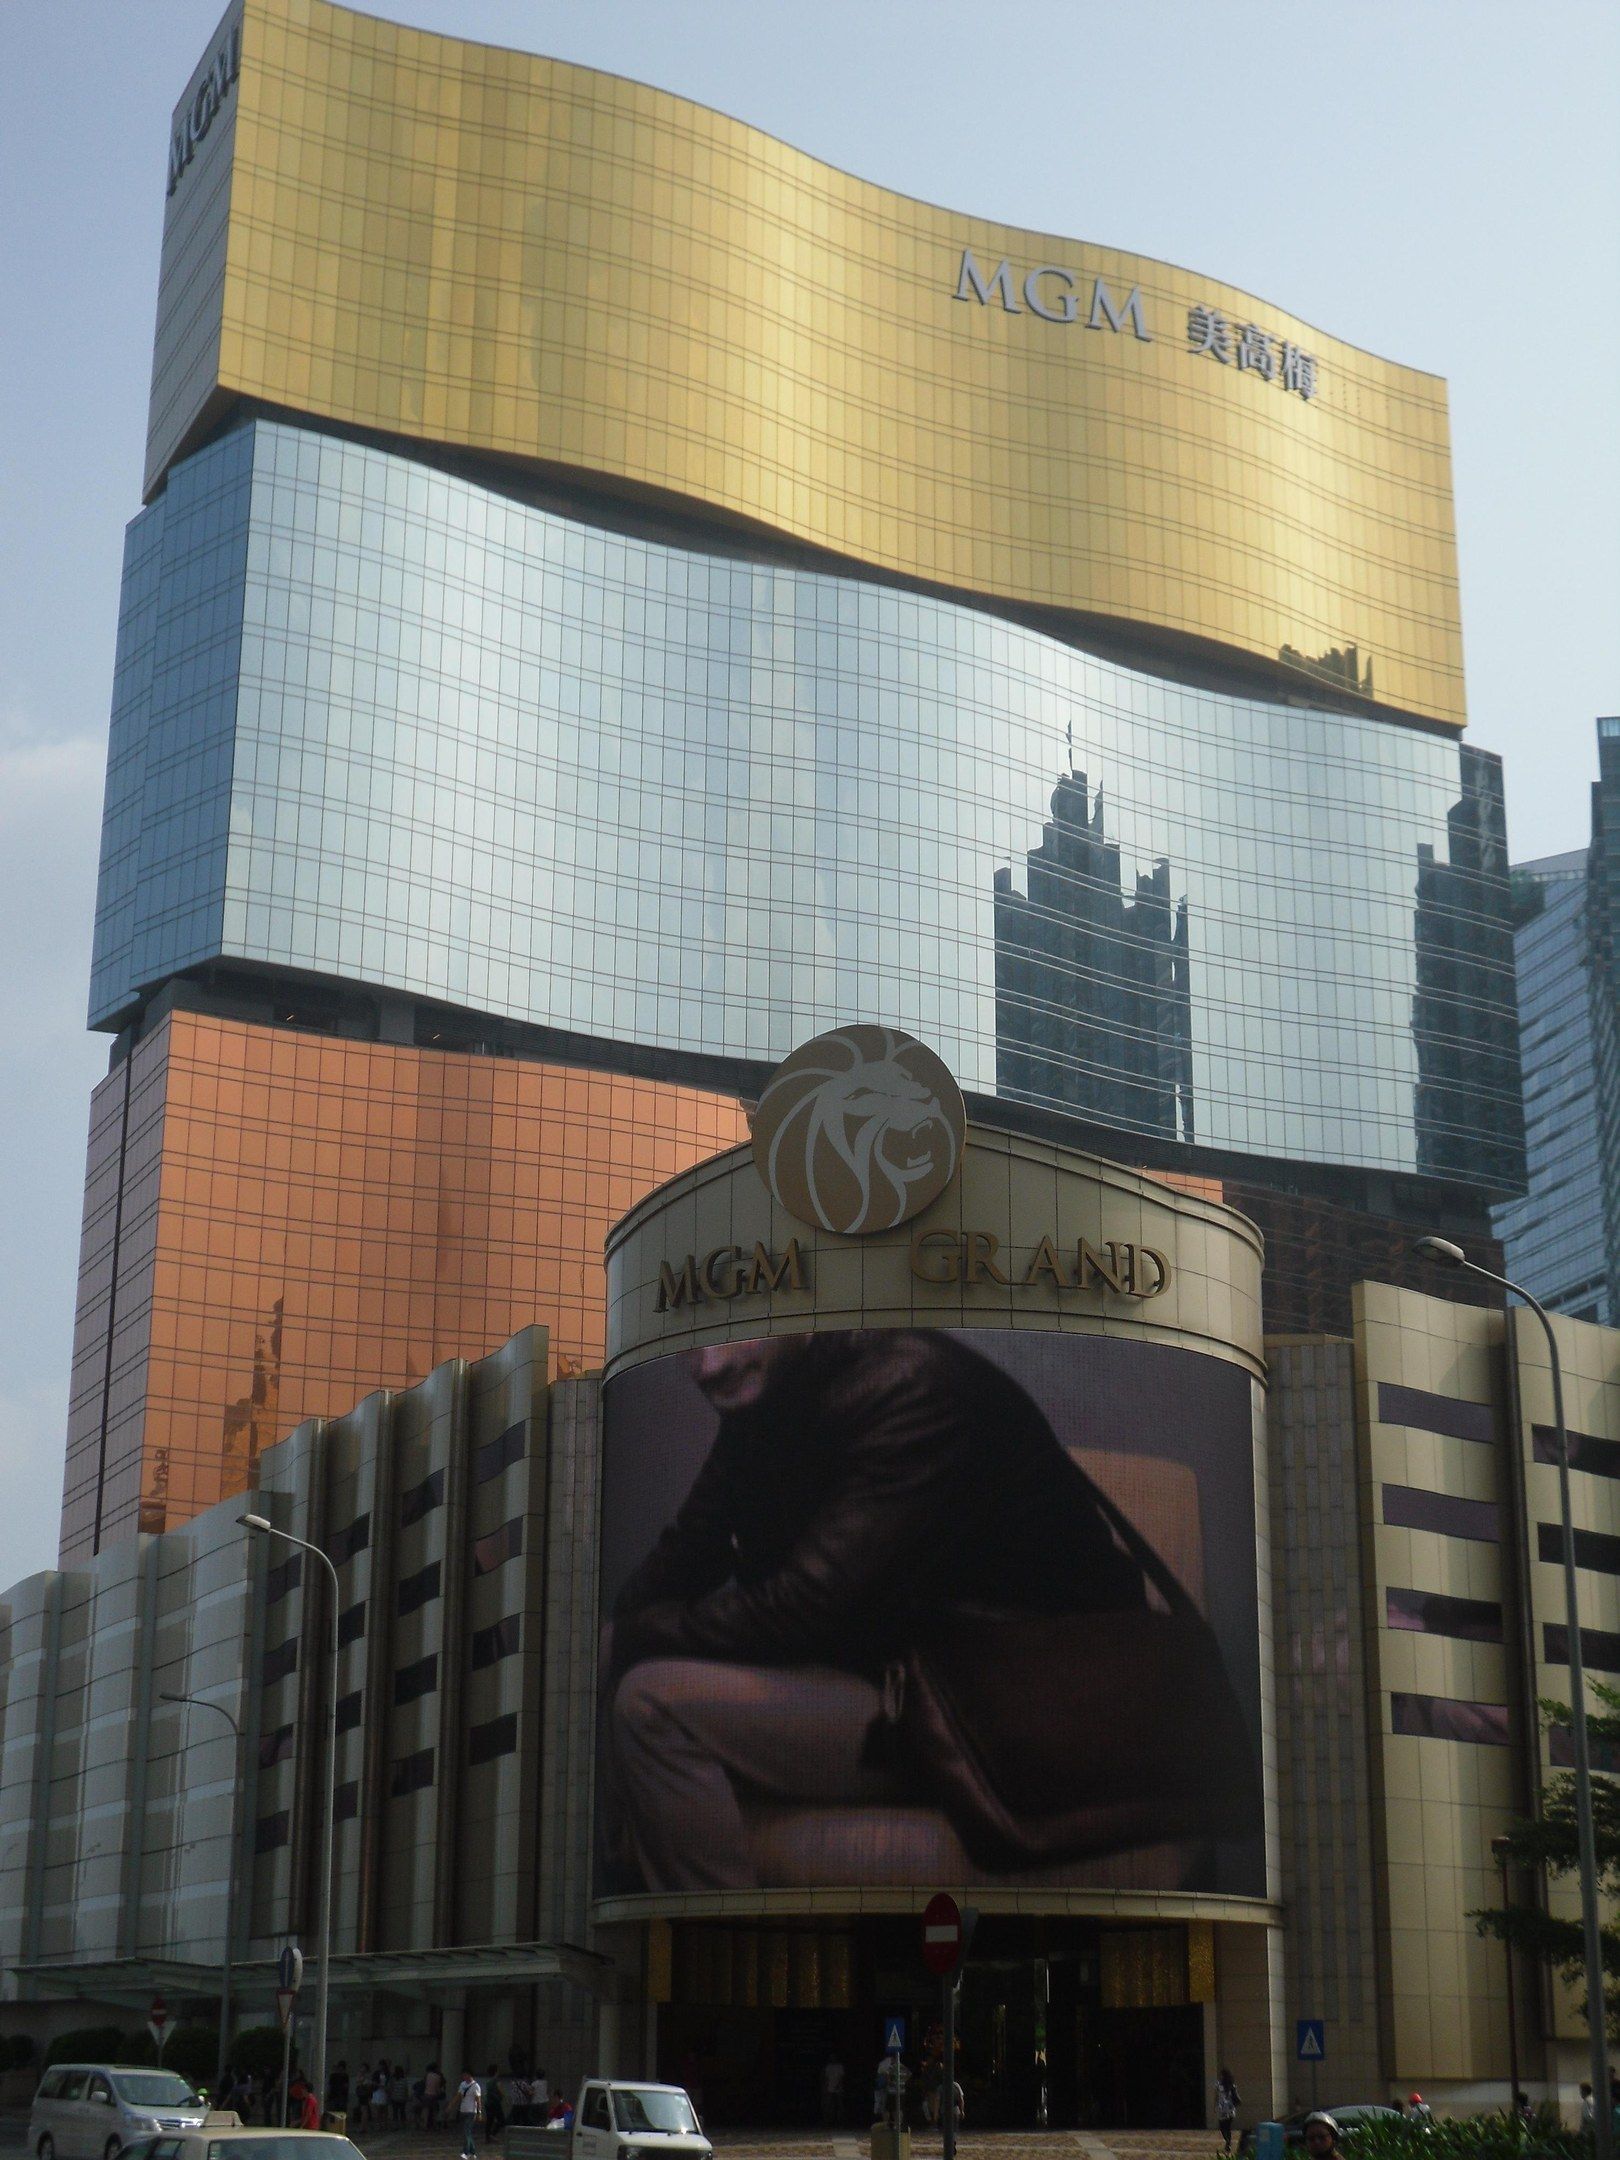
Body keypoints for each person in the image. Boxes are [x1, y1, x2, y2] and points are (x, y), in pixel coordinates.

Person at [604, 1332, 1251, 1893]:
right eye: (694, 1344)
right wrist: (611, 1633)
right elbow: (691, 1547)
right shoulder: (774, 1396)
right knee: (634, 1677)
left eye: (733, 1338)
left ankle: (723, 1974)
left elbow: (802, 1608)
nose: (707, 1367)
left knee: (649, 1701)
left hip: (996, 1710)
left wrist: (629, 1637)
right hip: (915, 1682)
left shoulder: (907, 1388)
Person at [457, 2068, 484, 2158]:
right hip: (463, 2110)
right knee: (467, 2132)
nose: (463, 2076)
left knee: (466, 2131)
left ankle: (466, 2152)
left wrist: (479, 2112)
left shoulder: (476, 2086)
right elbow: (459, 2096)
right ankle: (473, 2152)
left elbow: (478, 2100)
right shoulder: (462, 2084)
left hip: (471, 2111)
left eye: (464, 2075)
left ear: (469, 2075)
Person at [1215, 2066, 1241, 2151]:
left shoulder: (1223, 2085)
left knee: (1224, 2127)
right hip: (1228, 2109)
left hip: (1225, 2109)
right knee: (1225, 2127)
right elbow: (1216, 2096)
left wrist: (1215, 2105)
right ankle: (1228, 2142)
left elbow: (1216, 2096)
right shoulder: (1228, 2084)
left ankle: (1228, 2142)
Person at [821, 2054, 845, 2129]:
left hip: (838, 2089)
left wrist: (839, 2085)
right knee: (829, 2106)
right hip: (829, 2088)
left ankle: (839, 2122)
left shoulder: (840, 2066)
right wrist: (825, 2088)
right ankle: (828, 2122)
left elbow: (842, 2078)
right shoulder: (828, 2067)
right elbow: (825, 2078)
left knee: (839, 2106)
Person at [484, 2065, 506, 2141]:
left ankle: (487, 2137)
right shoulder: (496, 2080)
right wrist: (503, 2095)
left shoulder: (488, 2082)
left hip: (488, 2103)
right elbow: (500, 2090)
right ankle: (493, 2134)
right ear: (496, 2072)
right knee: (501, 2120)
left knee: (489, 2120)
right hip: (495, 2103)